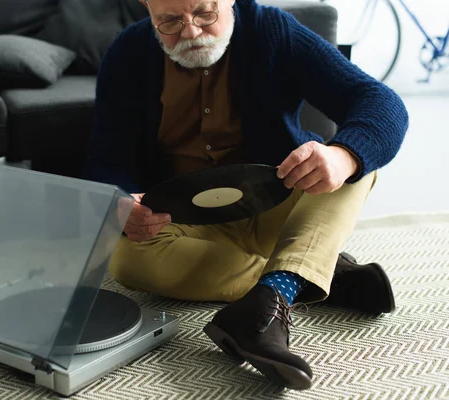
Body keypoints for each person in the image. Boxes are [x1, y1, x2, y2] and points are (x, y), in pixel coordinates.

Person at [84, 0, 409, 391]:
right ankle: (316, 271)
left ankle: (266, 306)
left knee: (358, 167)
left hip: (278, 204)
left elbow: (380, 102)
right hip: (184, 222)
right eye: (169, 21)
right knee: (127, 265)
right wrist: (121, 201)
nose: (190, 32)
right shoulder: (127, 52)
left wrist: (342, 156)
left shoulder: (273, 31)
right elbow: (107, 157)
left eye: (205, 13)